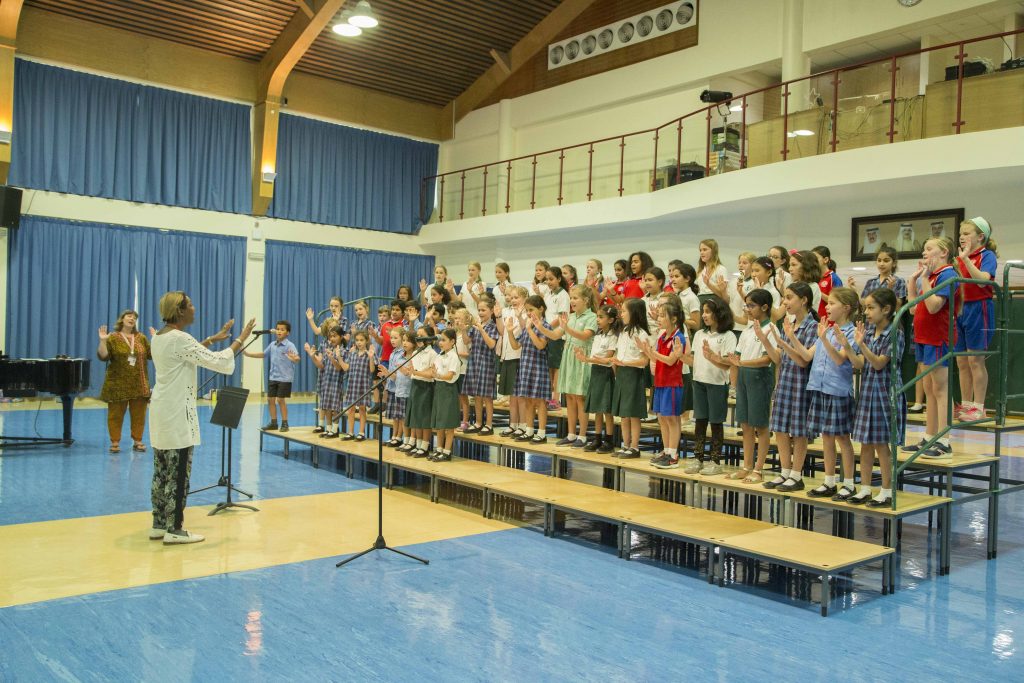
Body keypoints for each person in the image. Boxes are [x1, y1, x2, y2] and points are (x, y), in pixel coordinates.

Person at [148, 291, 254, 545]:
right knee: (179, 472)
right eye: (191, 305)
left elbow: (186, 355)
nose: (195, 308)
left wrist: (210, 339)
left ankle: (159, 523)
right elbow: (219, 362)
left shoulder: (160, 337)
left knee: (161, 470)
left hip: (162, 410)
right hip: (176, 414)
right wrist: (240, 339)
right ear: (180, 310)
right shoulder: (179, 338)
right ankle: (175, 529)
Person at [837, 288, 906, 507]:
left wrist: (862, 345)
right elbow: (860, 364)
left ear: (886, 309)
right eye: (865, 307)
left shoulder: (895, 333)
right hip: (867, 391)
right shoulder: (867, 332)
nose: (866, 312)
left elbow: (878, 363)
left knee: (881, 445)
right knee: (866, 444)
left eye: (870, 307)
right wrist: (849, 346)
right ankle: (865, 487)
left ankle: (887, 491)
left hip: (885, 393)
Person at [760, 282, 819, 491]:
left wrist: (786, 341)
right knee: (781, 430)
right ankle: (785, 471)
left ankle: (796, 474)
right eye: (784, 297)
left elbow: (804, 360)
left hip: (801, 384)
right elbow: (779, 358)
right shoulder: (789, 323)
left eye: (789, 297)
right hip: (785, 382)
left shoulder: (813, 327)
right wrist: (765, 340)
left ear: (803, 300)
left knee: (799, 431)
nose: (785, 302)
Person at [904, 236, 959, 459]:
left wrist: (925, 279)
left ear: (944, 252)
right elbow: (913, 310)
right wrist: (912, 282)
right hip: (924, 338)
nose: (924, 253)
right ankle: (929, 436)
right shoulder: (931, 277)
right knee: (928, 388)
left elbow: (935, 306)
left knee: (940, 389)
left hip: (939, 338)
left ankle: (944, 440)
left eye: (929, 249)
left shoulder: (947, 274)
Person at [805, 288, 861, 499]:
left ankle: (848, 483)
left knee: (842, 438)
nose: (827, 307)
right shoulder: (826, 330)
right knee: (826, 436)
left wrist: (825, 339)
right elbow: (808, 355)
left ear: (846, 308)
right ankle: (829, 481)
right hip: (819, 387)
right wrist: (787, 338)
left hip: (837, 390)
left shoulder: (851, 333)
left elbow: (840, 359)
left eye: (832, 303)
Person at [724, 289, 778, 483]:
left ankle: (758, 468)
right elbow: (736, 357)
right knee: (745, 424)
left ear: (764, 307)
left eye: (751, 305)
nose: (747, 309)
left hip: (760, 377)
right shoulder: (747, 330)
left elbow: (767, 359)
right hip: (744, 377)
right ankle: (746, 465)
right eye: (746, 305)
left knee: (761, 426)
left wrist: (742, 364)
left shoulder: (770, 328)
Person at [684, 295, 735, 476]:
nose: (704, 316)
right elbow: (693, 359)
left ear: (719, 313)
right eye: (703, 312)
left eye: (708, 312)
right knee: (700, 420)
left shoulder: (728, 336)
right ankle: (698, 457)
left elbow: (728, 363)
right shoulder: (699, 334)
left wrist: (713, 357)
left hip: (717, 383)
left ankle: (715, 460)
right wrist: (680, 356)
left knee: (716, 422)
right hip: (699, 380)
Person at [541, 284, 597, 449]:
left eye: (575, 298)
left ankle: (583, 435)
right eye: (571, 298)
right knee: (570, 398)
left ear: (585, 300)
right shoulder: (571, 317)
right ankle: (571, 434)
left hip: (582, 358)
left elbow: (585, 336)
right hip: (568, 357)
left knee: (580, 398)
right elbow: (555, 334)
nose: (572, 301)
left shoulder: (592, 317)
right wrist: (539, 326)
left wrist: (567, 328)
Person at [954, 217, 998, 422]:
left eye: (967, 233)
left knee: (975, 360)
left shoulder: (987, 255)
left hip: (980, 308)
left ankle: (979, 407)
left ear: (981, 237)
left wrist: (965, 260)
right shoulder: (960, 258)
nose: (962, 237)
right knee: (961, 361)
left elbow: (982, 282)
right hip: (962, 310)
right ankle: (967, 404)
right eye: (961, 234)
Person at [639, 303, 688, 469]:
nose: (658, 319)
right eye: (658, 315)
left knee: (672, 419)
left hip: (672, 383)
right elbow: (656, 358)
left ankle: (673, 454)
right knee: (662, 418)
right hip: (659, 382)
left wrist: (651, 352)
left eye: (662, 316)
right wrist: (646, 351)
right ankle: (666, 451)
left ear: (673, 319)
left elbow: (670, 360)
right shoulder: (661, 338)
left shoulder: (678, 337)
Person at [98, 309, 152, 453]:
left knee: (139, 414)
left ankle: (138, 440)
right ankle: (115, 442)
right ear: (122, 319)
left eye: (134, 317)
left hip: (139, 383)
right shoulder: (113, 337)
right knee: (115, 414)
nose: (132, 318)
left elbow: (152, 355)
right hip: (117, 384)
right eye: (129, 316)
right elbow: (103, 356)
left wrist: (158, 341)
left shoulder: (141, 338)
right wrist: (103, 341)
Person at [576, 304, 620, 454]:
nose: (598, 320)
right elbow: (596, 358)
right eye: (597, 316)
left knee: (606, 409)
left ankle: (609, 440)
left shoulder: (614, 336)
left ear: (611, 320)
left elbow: (608, 359)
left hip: (606, 373)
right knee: (596, 409)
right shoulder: (598, 335)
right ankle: (597, 438)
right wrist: (585, 359)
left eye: (601, 317)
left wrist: (588, 359)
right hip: (595, 372)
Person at [610, 298, 651, 459]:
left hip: (634, 374)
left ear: (634, 313)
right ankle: (625, 444)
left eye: (624, 311)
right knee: (623, 414)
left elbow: (644, 361)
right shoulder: (624, 332)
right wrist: (616, 365)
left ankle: (635, 447)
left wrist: (624, 363)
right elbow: (617, 353)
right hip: (622, 374)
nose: (621, 313)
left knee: (633, 413)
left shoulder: (641, 334)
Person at [509, 294, 552, 443]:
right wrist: (509, 332)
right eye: (527, 310)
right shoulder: (528, 326)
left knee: (539, 402)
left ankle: (541, 432)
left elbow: (540, 345)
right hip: (525, 367)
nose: (528, 313)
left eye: (531, 309)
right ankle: (529, 430)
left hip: (538, 367)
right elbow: (515, 346)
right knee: (527, 400)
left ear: (541, 309)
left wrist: (530, 329)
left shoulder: (545, 326)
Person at [243, 320, 299, 433]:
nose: (279, 331)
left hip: (285, 378)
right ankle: (274, 423)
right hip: (273, 377)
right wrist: (247, 354)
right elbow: (263, 354)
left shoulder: (289, 345)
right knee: (270, 399)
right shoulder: (272, 345)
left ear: (287, 333)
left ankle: (285, 423)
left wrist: (294, 358)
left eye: (282, 329)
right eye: (278, 329)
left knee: (280, 400)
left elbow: (297, 358)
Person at [460, 297, 500, 435]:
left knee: (487, 397)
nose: (481, 312)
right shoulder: (475, 326)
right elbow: (466, 341)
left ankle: (489, 424)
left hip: (487, 364)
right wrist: (463, 330)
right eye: (479, 310)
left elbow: (491, 344)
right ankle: (478, 422)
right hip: (474, 362)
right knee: (476, 395)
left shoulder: (492, 327)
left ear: (491, 311)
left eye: (483, 310)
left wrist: (482, 330)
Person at [496, 286, 527, 438]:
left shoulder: (526, 312)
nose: (512, 300)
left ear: (524, 298)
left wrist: (520, 316)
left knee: (520, 396)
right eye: (510, 297)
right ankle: (512, 424)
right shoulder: (506, 311)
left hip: (519, 356)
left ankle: (523, 425)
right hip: (507, 355)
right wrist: (497, 317)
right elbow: (502, 331)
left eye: (516, 297)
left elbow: (525, 329)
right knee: (511, 395)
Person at [305, 325, 345, 437]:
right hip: (326, 381)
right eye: (330, 336)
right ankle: (328, 428)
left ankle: (335, 429)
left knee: (335, 407)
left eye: (335, 336)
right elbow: (322, 365)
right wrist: (312, 356)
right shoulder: (329, 349)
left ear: (341, 337)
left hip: (336, 382)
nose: (332, 338)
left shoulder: (342, 350)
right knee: (327, 406)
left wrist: (333, 357)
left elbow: (339, 368)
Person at [405, 325, 438, 457]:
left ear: (429, 339)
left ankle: (425, 445)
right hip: (415, 385)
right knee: (416, 417)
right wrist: (413, 373)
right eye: (417, 335)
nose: (418, 338)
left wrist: (417, 373)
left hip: (426, 387)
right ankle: (418, 444)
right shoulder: (415, 352)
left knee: (425, 418)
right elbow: (412, 371)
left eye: (421, 335)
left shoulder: (432, 354)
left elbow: (431, 373)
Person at [430, 328, 462, 461]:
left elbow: (450, 376)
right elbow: (435, 371)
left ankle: (447, 451)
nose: (440, 343)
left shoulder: (454, 357)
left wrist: (438, 375)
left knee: (448, 423)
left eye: (444, 340)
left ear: (452, 341)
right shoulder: (439, 355)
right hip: (439, 389)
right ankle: (439, 449)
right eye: (439, 340)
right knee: (439, 422)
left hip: (448, 389)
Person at [542, 266, 571, 411]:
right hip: (547, 333)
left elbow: (561, 317)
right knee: (549, 367)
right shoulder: (548, 294)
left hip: (558, 335)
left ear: (559, 279)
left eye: (551, 279)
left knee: (557, 367)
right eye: (546, 279)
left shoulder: (563, 295)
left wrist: (546, 328)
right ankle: (548, 396)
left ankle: (556, 399)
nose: (548, 282)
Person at [339, 330, 375, 441]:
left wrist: (371, 357)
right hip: (352, 385)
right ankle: (350, 432)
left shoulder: (369, 354)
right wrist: (339, 358)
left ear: (366, 341)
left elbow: (372, 369)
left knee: (362, 409)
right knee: (351, 409)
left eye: (362, 340)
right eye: (357, 340)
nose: (359, 342)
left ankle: (361, 432)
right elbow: (346, 368)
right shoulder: (352, 354)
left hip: (363, 385)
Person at [383, 329, 413, 450]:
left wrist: (388, 374)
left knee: (401, 416)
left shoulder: (402, 354)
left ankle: (399, 437)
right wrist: (386, 375)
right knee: (395, 416)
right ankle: (394, 435)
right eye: (391, 338)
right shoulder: (393, 353)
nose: (392, 340)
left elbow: (400, 374)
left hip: (399, 388)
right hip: (392, 387)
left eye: (395, 338)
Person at [812, 245, 843, 321]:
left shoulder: (834, 278)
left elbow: (839, 301)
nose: (813, 262)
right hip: (815, 321)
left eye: (815, 259)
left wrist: (818, 292)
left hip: (829, 323)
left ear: (825, 260)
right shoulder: (814, 278)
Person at [789, 250, 823, 315]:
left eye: (794, 265)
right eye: (790, 265)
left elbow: (801, 311)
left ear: (806, 266)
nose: (790, 269)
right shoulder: (793, 285)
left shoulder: (813, 286)